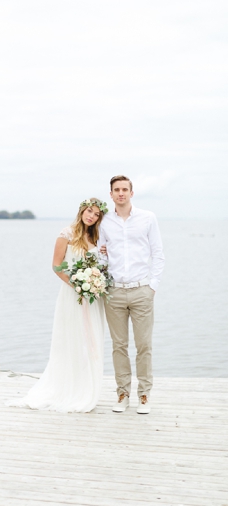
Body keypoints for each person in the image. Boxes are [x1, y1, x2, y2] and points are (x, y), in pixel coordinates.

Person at [8, 198, 108, 412]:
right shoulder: (67, 234)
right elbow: (56, 266)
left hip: (92, 297)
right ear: (82, 210)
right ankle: (69, 388)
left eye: (96, 214)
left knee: (91, 340)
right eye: (89, 211)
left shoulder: (96, 236)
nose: (91, 216)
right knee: (73, 339)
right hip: (73, 295)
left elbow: (100, 264)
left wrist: (94, 281)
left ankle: (87, 386)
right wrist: (78, 284)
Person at [98, 175, 164, 414]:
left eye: (125, 189)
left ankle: (144, 395)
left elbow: (158, 253)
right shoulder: (104, 222)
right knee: (119, 346)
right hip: (114, 292)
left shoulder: (148, 218)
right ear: (111, 194)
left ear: (131, 193)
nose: (121, 193)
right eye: (116, 190)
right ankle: (122, 393)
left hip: (141, 291)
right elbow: (101, 256)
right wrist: (100, 253)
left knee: (144, 345)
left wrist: (152, 286)